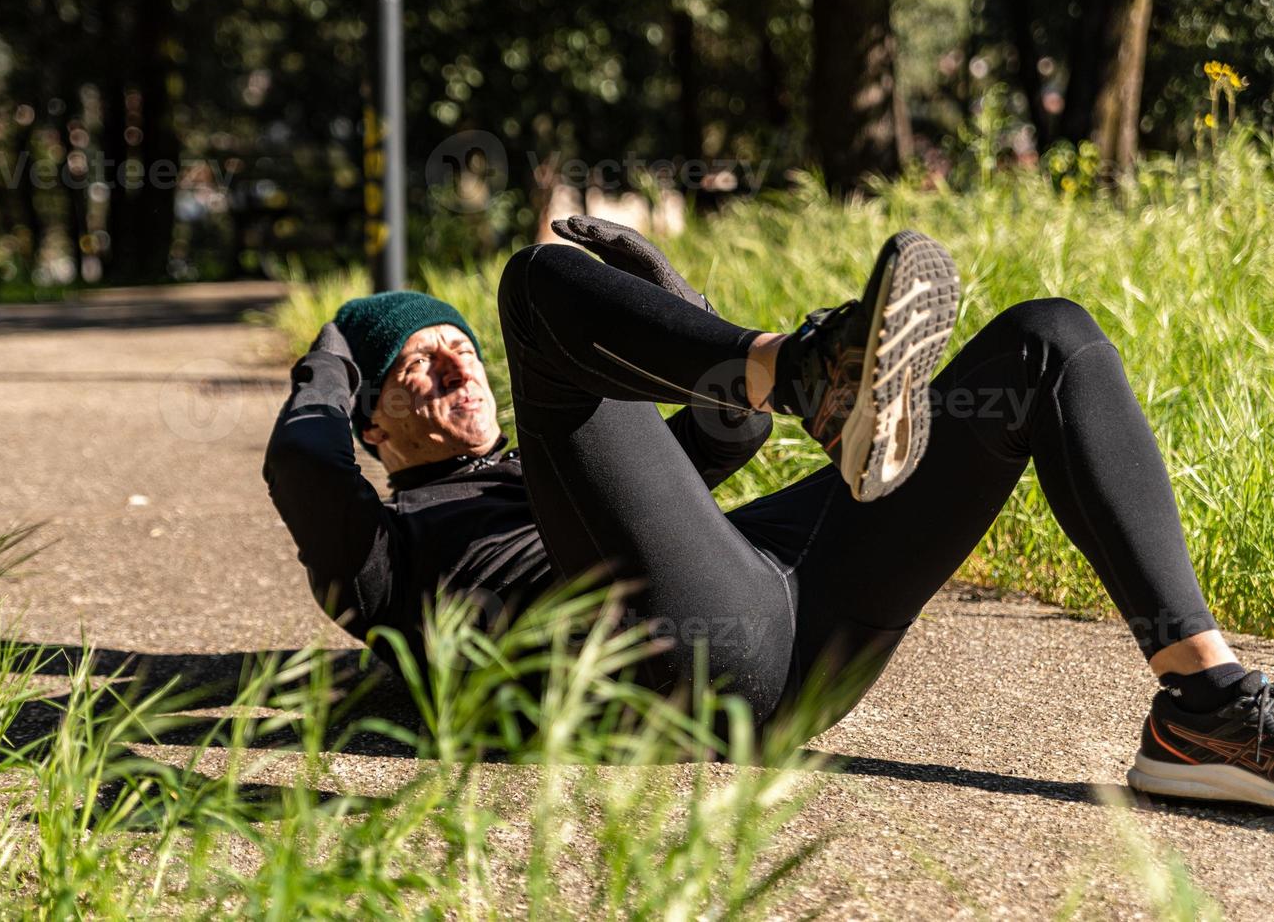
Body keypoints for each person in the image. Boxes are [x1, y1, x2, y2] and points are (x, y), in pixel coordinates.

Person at [264, 217, 1273, 808]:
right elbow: (302, 463)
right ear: (372, 423)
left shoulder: (559, 465)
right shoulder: (385, 552)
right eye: (414, 366)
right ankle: (808, 369)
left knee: (1046, 342)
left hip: (801, 605)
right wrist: (334, 351)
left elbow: (727, 437)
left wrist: (667, 291)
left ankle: (1204, 708)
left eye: (460, 349)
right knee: (533, 284)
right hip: (695, 668)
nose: (453, 366)